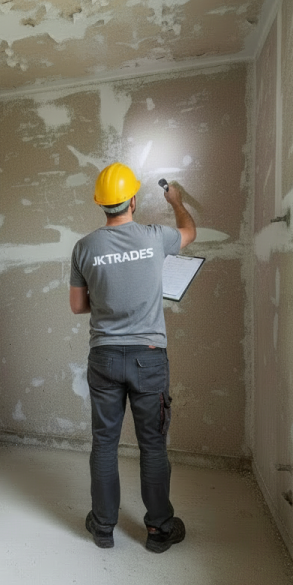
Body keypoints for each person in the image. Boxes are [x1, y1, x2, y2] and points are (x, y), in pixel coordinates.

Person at [69, 162, 196, 553]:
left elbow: (78, 306)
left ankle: (103, 527)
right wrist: (176, 202)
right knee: (153, 446)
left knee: (104, 444)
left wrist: (110, 301)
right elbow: (189, 233)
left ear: (100, 203)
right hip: (149, 359)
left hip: (104, 357)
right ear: (133, 201)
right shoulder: (155, 237)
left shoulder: (84, 247)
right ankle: (159, 530)